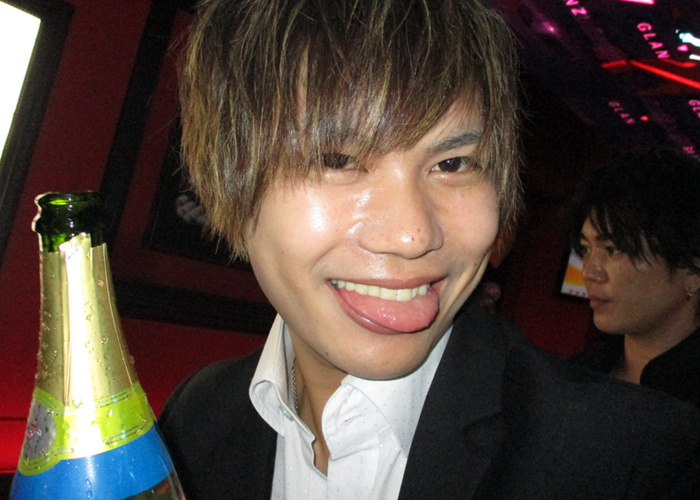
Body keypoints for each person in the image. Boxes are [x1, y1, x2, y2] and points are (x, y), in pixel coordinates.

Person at [158, 1, 700, 498]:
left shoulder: (639, 460)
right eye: (337, 159)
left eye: (452, 163)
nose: (412, 235)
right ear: (225, 183)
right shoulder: (195, 419)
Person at [567, 147, 700, 407]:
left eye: (613, 249)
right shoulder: (575, 377)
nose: (589, 273)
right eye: (585, 249)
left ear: (692, 272)